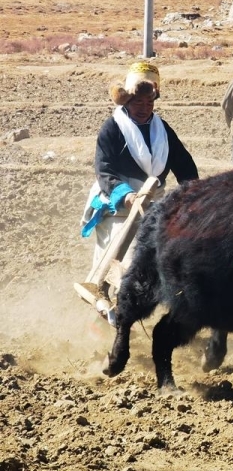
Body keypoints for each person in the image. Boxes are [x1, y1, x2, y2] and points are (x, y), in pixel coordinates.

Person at [81, 61, 199, 296]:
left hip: (153, 205)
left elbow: (184, 165)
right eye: (138, 102)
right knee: (117, 257)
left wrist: (194, 194)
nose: (144, 108)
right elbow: (105, 170)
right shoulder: (112, 128)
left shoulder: (162, 129)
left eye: (149, 102)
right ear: (126, 101)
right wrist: (126, 195)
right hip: (118, 206)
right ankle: (103, 299)